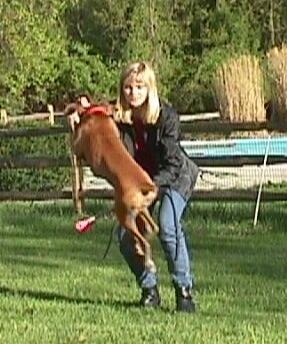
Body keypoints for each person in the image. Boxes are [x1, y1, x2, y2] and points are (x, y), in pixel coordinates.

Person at [114, 61, 199, 313]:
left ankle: (184, 291)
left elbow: (172, 165)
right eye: (128, 87)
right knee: (125, 236)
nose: (133, 93)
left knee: (168, 226)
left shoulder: (167, 117)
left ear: (149, 88)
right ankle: (149, 290)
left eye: (139, 87)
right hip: (142, 182)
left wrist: (148, 191)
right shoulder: (121, 119)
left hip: (175, 177)